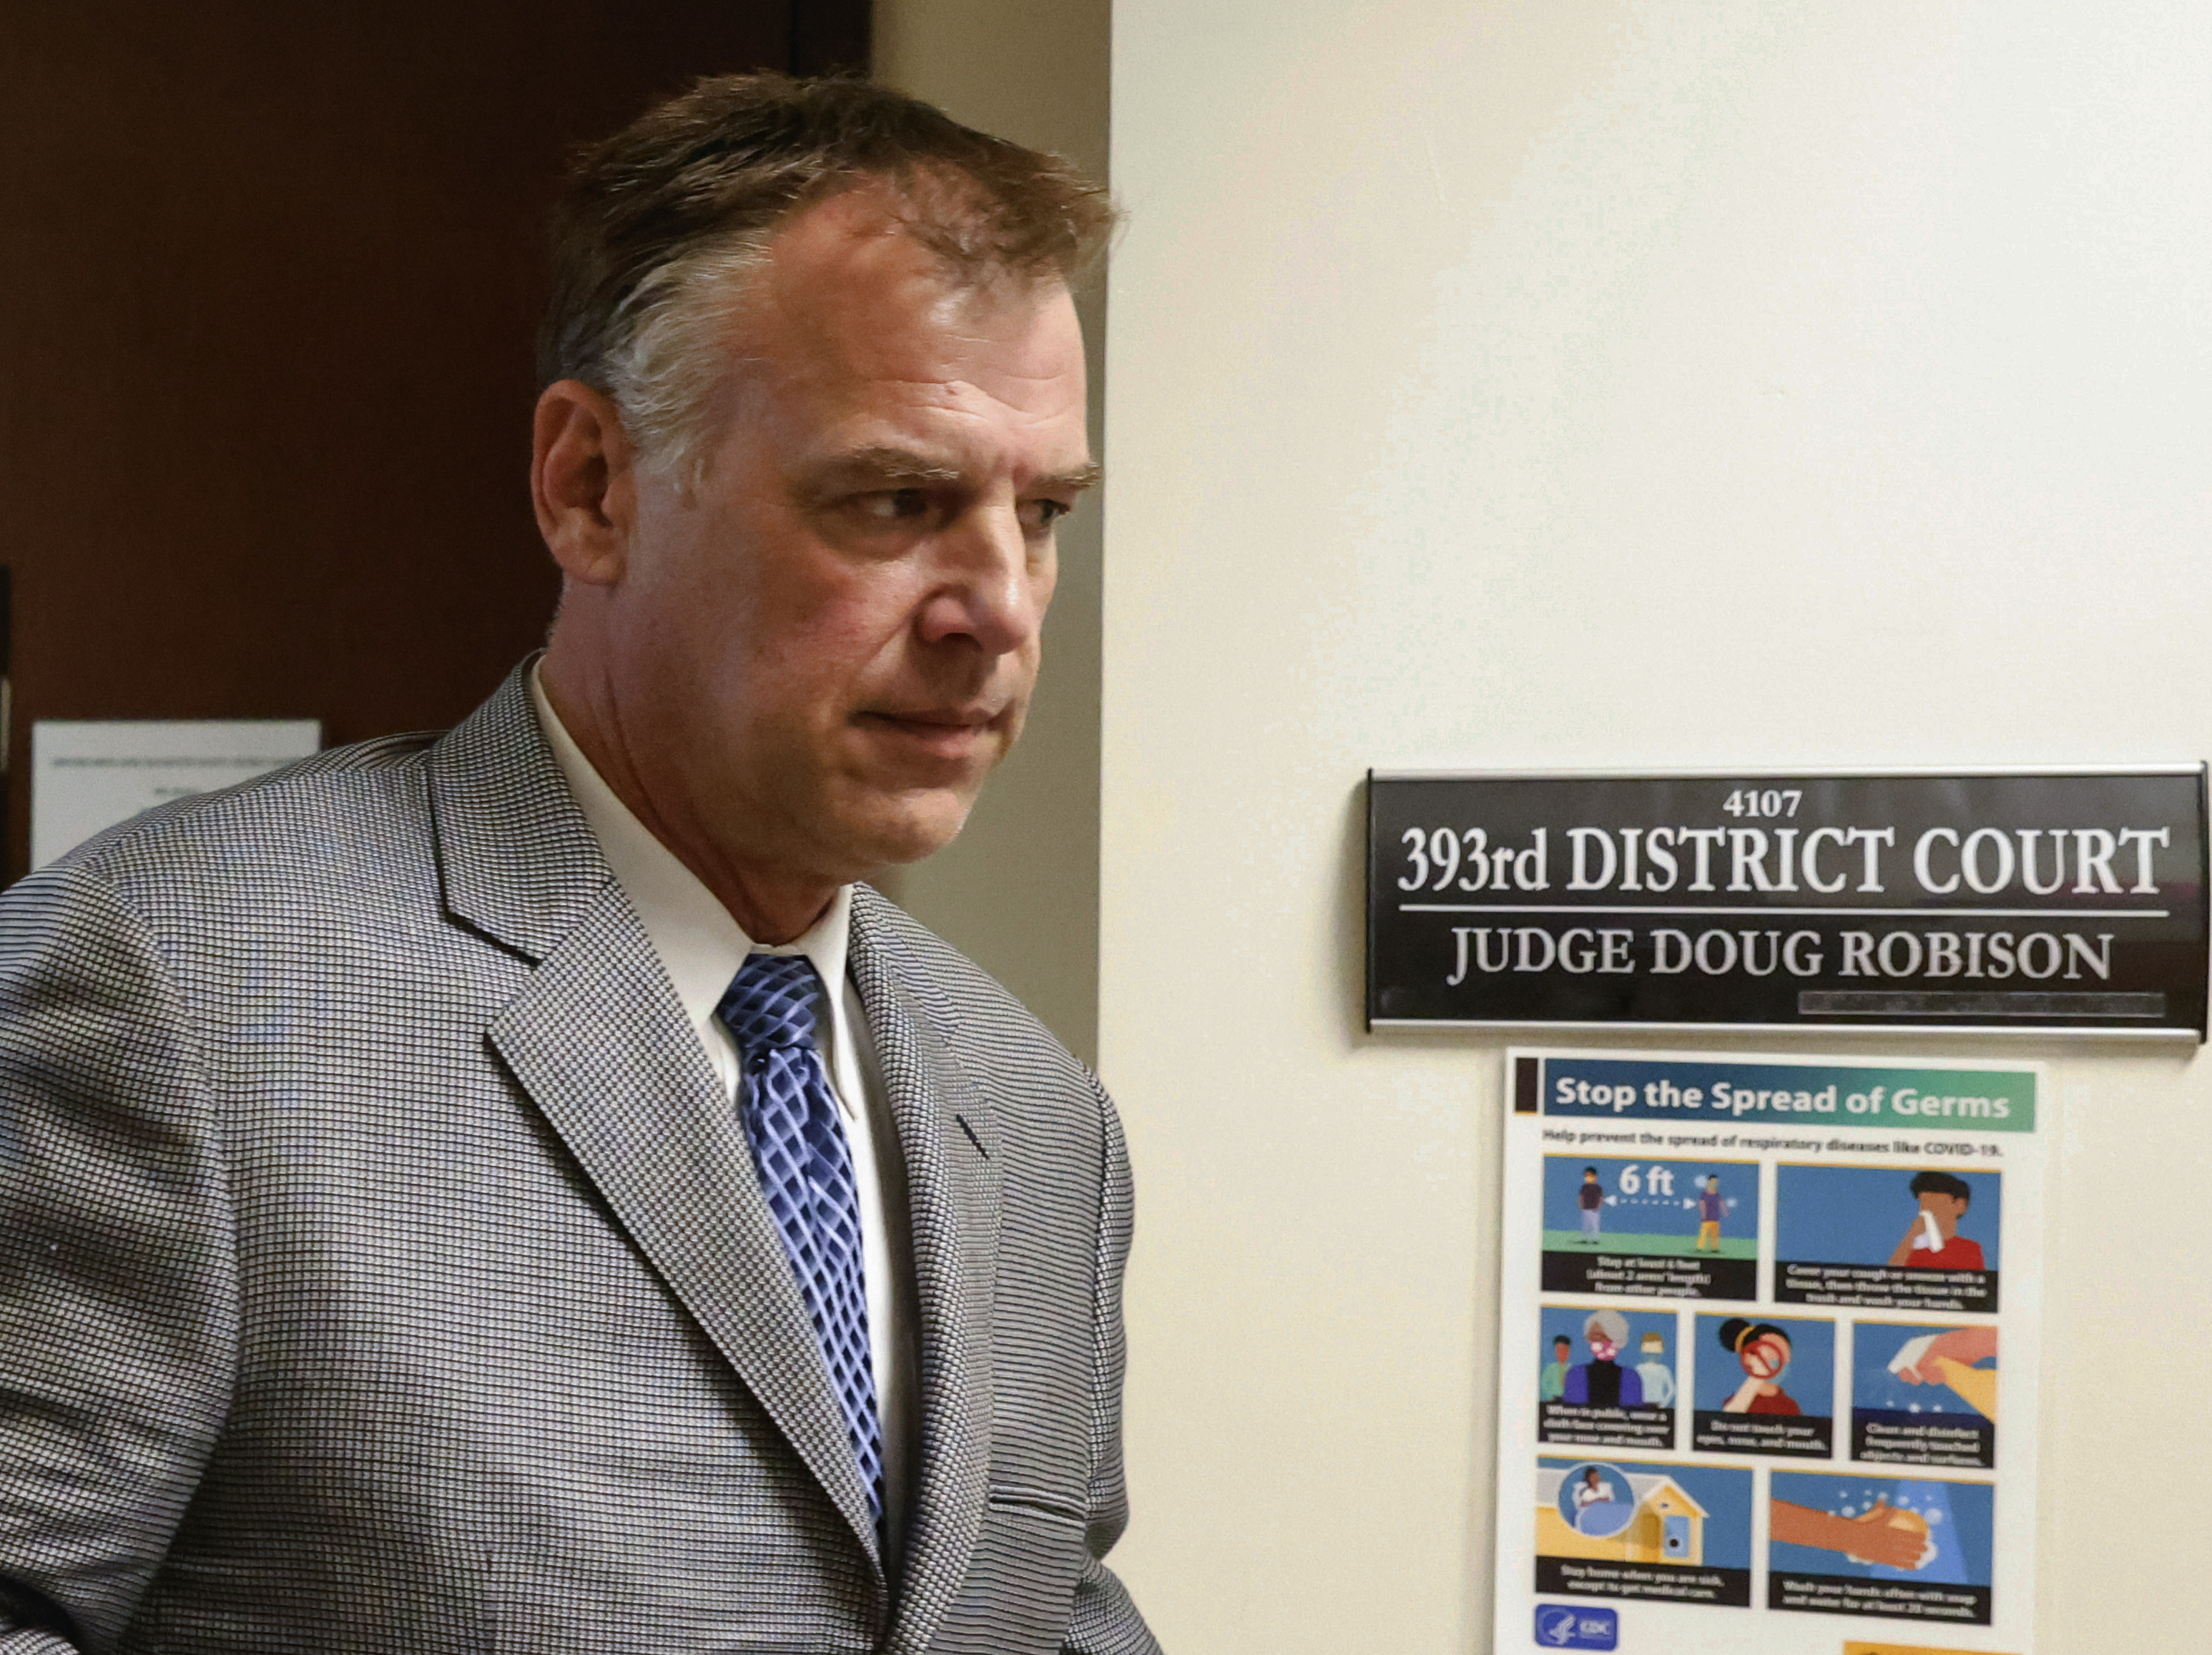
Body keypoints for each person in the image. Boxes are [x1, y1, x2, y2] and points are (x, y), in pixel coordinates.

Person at [0, 75, 1157, 1655]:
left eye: (1039, 513)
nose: (1000, 608)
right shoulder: (171, 987)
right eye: (896, 500)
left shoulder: (1038, 1120)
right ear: (590, 486)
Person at [1887, 1170, 1987, 1270]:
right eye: (1923, 1202)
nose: (1926, 1210)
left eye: (1934, 1202)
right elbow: (1891, 1275)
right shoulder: (1911, 1248)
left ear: (1960, 1205)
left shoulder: (1969, 1249)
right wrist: (1912, 1235)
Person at [1716, 1318, 1801, 1415]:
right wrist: (1757, 1377)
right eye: (1771, 1351)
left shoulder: (1790, 1406)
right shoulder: (1737, 1402)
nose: (1779, 1359)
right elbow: (1729, 1421)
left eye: (1784, 1352)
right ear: (1748, 1358)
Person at [1563, 1309, 1645, 1408]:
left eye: (1607, 1337)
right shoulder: (1576, 1375)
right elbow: (1572, 1412)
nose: (1602, 1342)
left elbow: (1635, 1415)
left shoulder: (1630, 1378)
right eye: (1596, 1336)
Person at [1633, 1330, 1676, 1407]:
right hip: (1643, 1404)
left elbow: (1672, 1390)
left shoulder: (1664, 1370)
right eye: (1649, 1353)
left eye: (1654, 1353)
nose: (1652, 1355)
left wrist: (1663, 1405)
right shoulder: (1639, 1369)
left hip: (1658, 1403)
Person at [1540, 1334, 1574, 1402]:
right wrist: (1551, 1397)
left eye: (1565, 1351)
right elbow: (1543, 1385)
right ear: (1556, 1352)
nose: (1562, 1353)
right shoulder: (1550, 1369)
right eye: (1560, 1350)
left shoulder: (1573, 1370)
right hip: (1552, 1401)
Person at [1695, 1173, 1724, 1251]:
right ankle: (1700, 1247)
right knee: (1703, 1233)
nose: (1714, 1183)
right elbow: (1702, 1204)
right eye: (1713, 1181)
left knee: (1715, 1234)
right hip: (1707, 1217)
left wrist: (1725, 1211)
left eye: (1716, 1182)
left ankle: (1715, 1248)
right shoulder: (1704, 1194)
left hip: (1715, 1217)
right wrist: (1703, 1213)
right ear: (1709, 1182)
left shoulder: (1717, 1194)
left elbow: (1721, 1202)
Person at [1578, 1165, 1606, 1242]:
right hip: (1586, 1209)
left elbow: (1600, 1199)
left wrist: (1598, 1206)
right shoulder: (1584, 1187)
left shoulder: (1598, 1188)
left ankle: (1596, 1239)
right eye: (1586, 1176)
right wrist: (1581, 1206)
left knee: (1595, 1225)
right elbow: (1581, 1198)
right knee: (1586, 1225)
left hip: (1594, 1210)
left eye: (1590, 1176)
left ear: (1595, 1177)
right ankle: (1585, 1239)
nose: (1588, 1178)